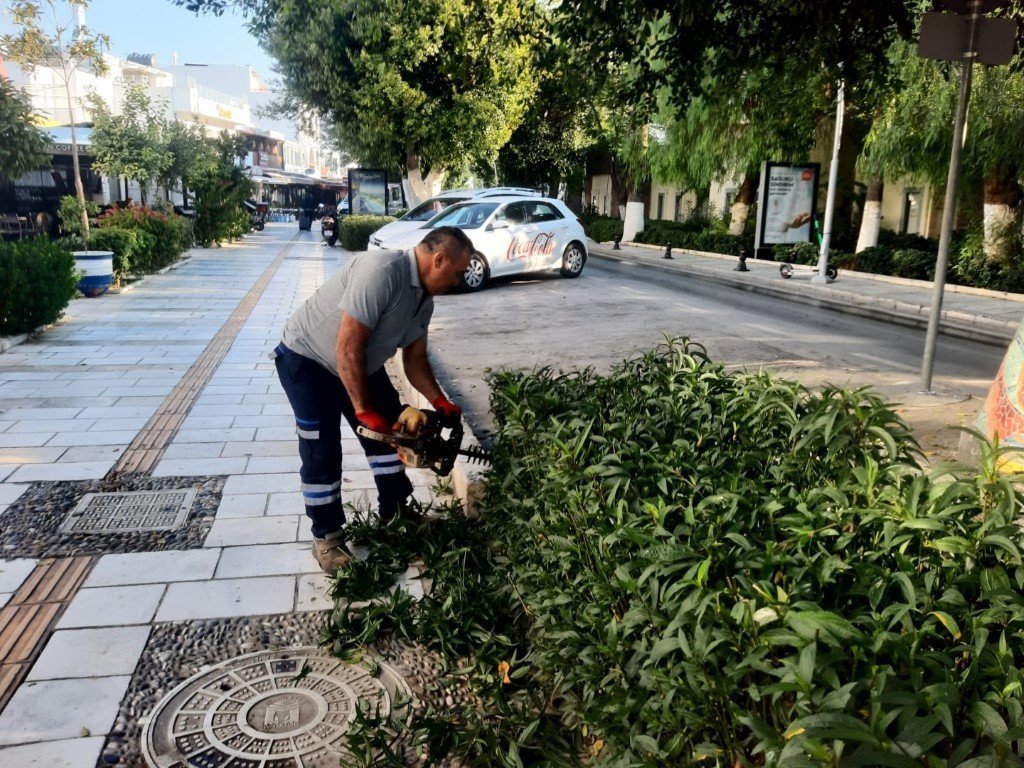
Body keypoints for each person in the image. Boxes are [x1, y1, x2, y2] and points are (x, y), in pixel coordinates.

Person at [273, 226, 474, 572]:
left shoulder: (424, 300)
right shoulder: (381, 272)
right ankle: (327, 538)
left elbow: (414, 359)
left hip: (357, 362)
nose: (457, 282)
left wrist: (440, 401)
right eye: (456, 273)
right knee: (322, 449)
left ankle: (396, 511)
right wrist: (364, 410)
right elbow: (347, 345)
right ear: (439, 259)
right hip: (308, 359)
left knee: (393, 433)